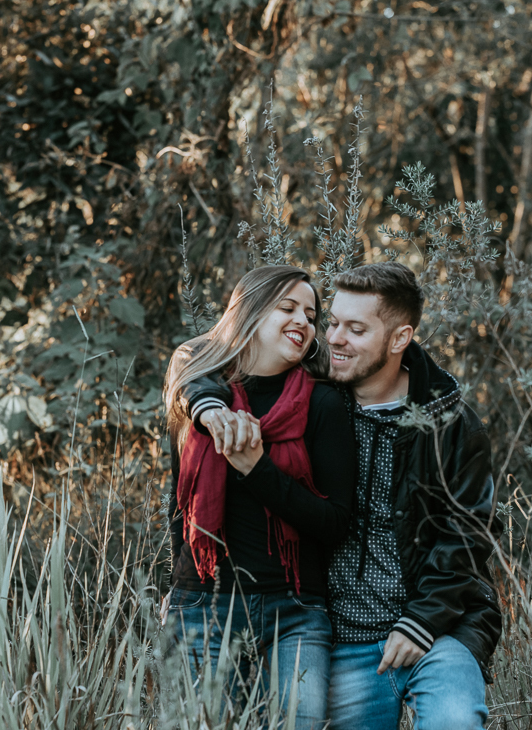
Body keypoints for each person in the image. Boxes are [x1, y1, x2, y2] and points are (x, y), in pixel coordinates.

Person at [187, 262, 501, 730]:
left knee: (454, 720)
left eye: (356, 329)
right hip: (347, 641)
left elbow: (470, 534)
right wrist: (206, 402)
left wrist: (421, 621)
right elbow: (203, 355)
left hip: (438, 630)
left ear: (399, 340)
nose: (334, 338)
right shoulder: (315, 396)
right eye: (332, 322)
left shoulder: (450, 423)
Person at [163, 265, 357, 730]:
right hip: (203, 607)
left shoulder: (324, 404)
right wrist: (178, 593)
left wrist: (256, 469)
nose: (304, 322)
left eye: (311, 315)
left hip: (294, 612)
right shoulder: (200, 394)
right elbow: (179, 509)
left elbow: (335, 523)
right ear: (247, 312)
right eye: (287, 308)